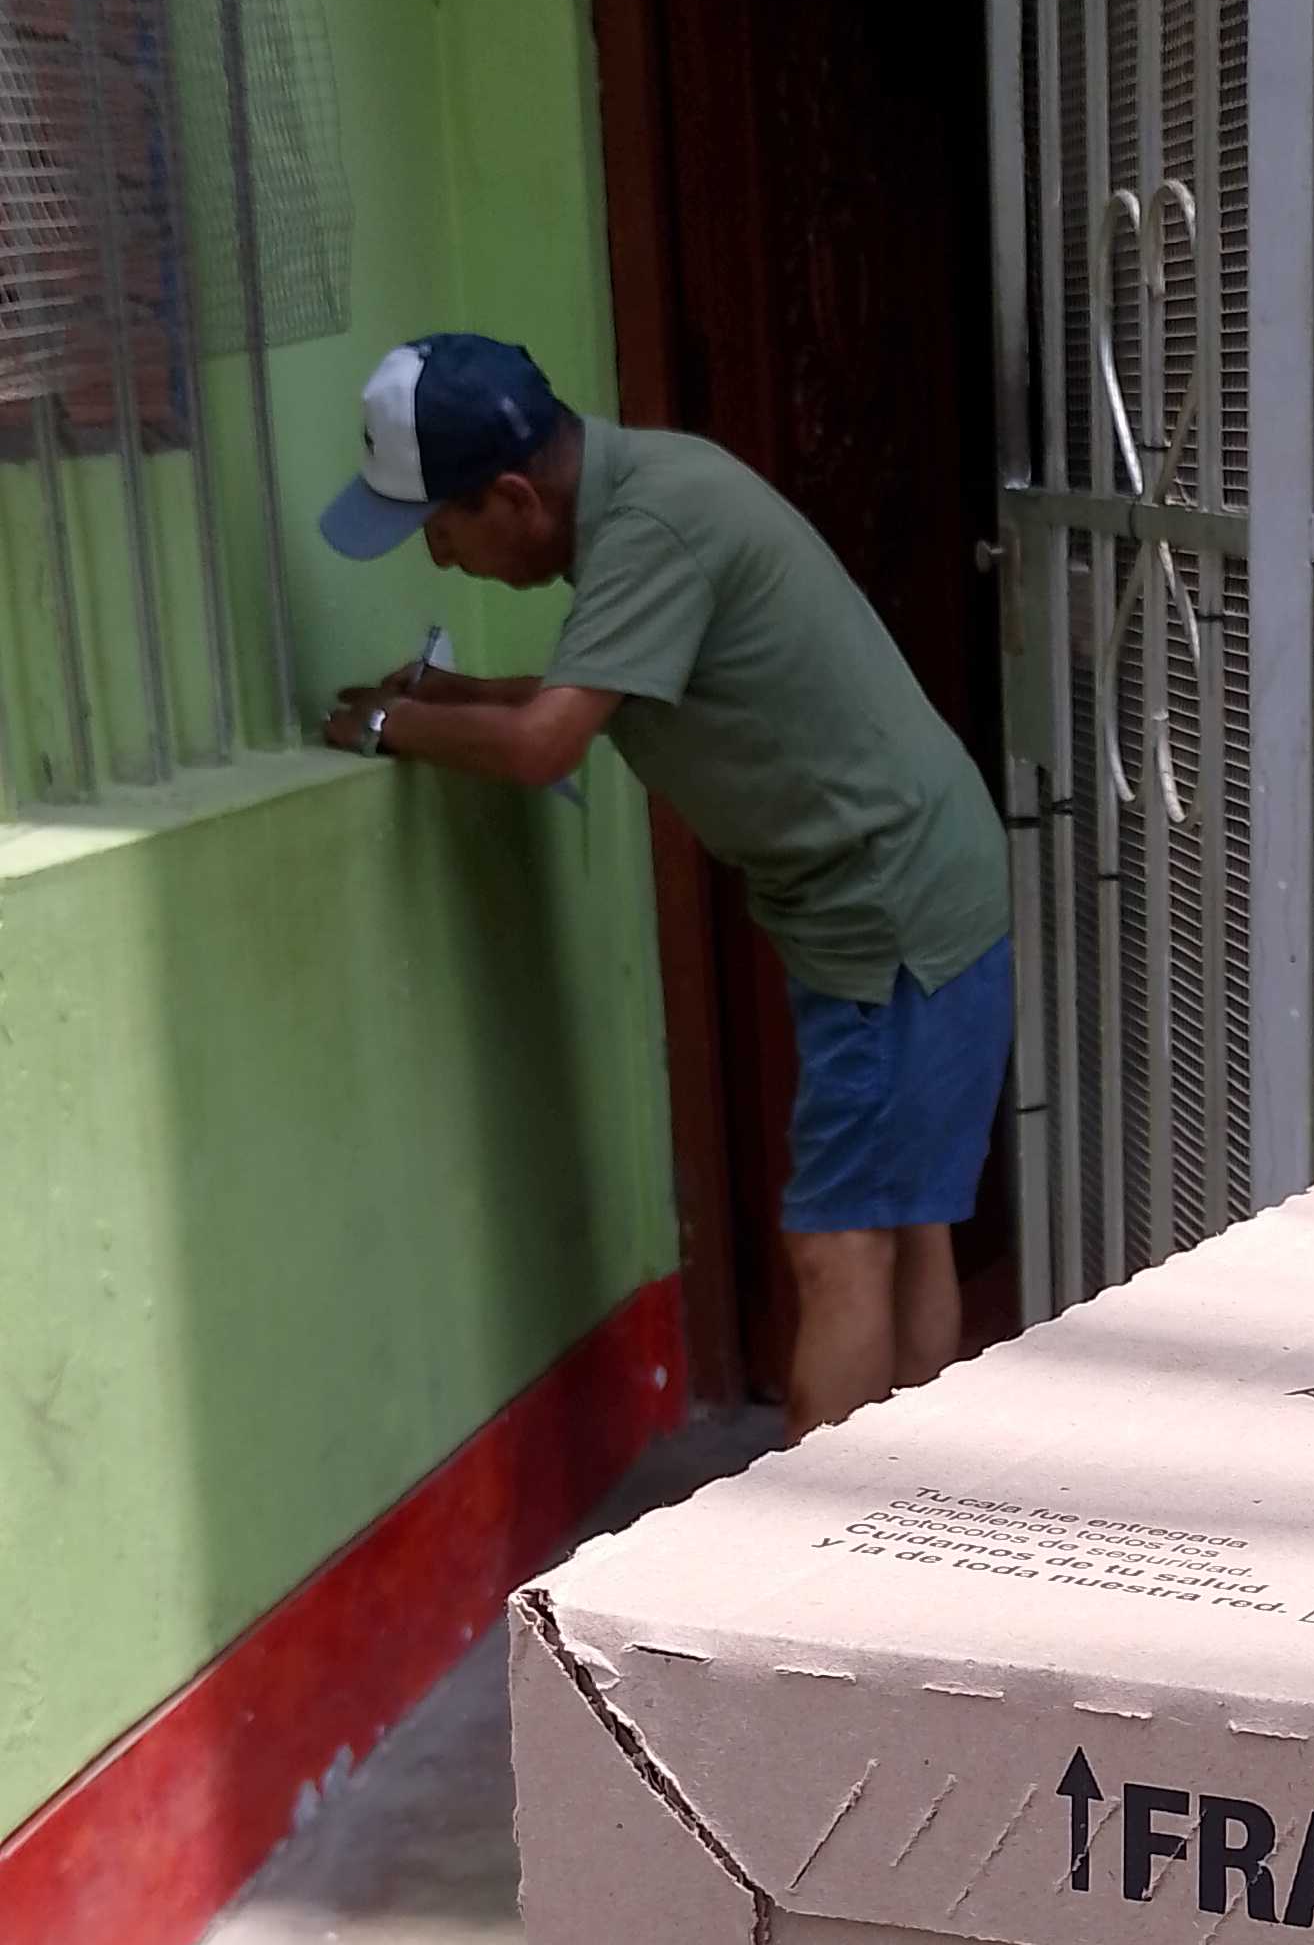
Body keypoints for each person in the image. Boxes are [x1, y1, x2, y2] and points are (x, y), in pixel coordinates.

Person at [319, 332, 1013, 1440]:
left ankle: (813, 1538)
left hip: (886, 913)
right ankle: (913, 1507)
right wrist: (454, 696)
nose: (440, 558)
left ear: (513, 496)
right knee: (902, 1222)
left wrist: (389, 726)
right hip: (907, 887)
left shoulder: (651, 529)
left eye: (439, 528)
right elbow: (604, 684)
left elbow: (549, 741)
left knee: (840, 1247)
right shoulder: (652, 487)